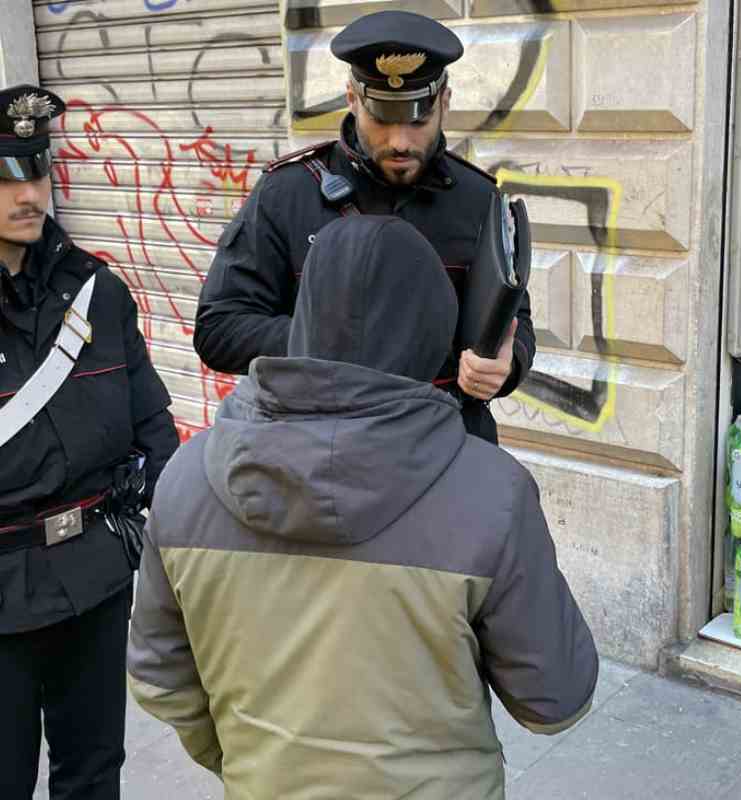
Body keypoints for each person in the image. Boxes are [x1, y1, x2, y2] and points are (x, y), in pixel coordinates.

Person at [128, 215, 597, 799]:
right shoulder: (493, 492)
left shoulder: (185, 481)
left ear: (303, 319)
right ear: (434, 329)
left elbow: (159, 677)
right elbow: (555, 698)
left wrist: (245, 763)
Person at [193, 9, 535, 444]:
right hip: (316, 452)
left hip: (447, 448)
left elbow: (514, 317)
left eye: (416, 120)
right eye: (382, 119)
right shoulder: (287, 193)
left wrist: (509, 361)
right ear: (352, 99)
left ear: (444, 103)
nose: (399, 141)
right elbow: (219, 329)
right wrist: (332, 340)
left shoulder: (479, 199)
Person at [0, 84, 179, 799]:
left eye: (37, 173)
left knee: (94, 775)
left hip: (95, 581)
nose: (28, 195)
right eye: (7, 179)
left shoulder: (97, 295)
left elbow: (156, 430)